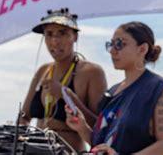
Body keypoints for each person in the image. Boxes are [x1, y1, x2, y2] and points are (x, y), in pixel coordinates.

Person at [65, 21, 163, 155]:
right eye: (111, 44)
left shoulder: (158, 89)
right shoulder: (112, 92)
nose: (112, 50)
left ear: (142, 49)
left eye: (119, 44)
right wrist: (82, 128)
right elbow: (102, 145)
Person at [20, 8, 107, 152]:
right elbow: (24, 116)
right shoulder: (43, 71)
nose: (55, 41)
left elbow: (102, 127)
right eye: (49, 34)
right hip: (37, 150)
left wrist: (67, 96)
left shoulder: (92, 72)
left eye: (62, 33)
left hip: (70, 150)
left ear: (75, 37)